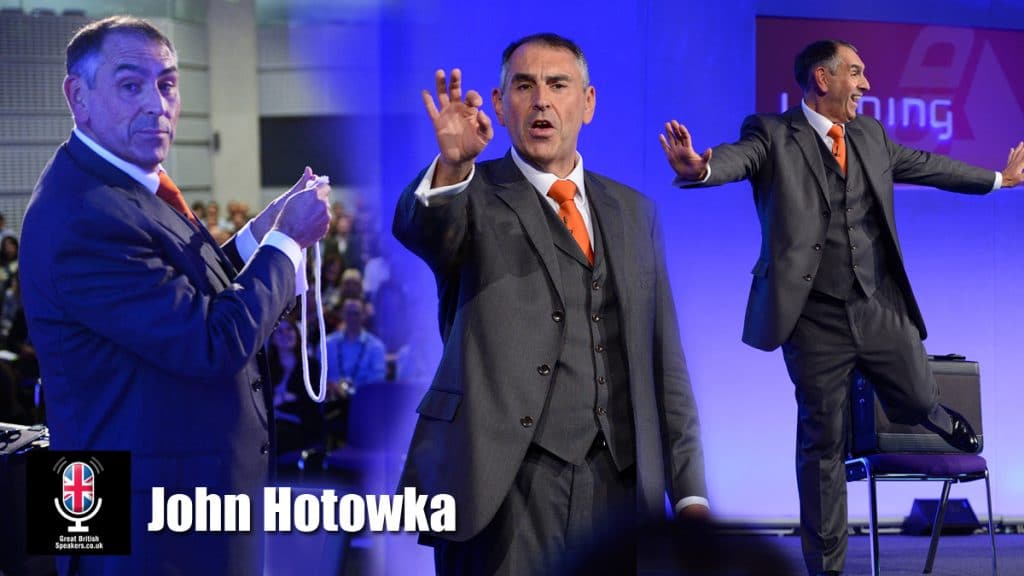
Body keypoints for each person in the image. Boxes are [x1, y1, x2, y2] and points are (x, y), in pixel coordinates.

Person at [660, 39, 1024, 576]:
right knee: (822, 443)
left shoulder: (870, 135)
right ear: (823, 78)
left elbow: (928, 165)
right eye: (856, 72)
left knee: (918, 395)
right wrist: (699, 169)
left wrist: (999, 180)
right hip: (812, 318)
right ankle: (826, 569)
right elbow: (736, 159)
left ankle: (936, 415)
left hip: (877, 304)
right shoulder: (772, 133)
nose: (866, 84)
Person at [19, 16, 330, 575]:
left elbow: (184, 294)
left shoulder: (122, 187)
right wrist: (287, 242)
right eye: (130, 85)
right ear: (78, 97)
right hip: (145, 528)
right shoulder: (84, 214)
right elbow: (210, 342)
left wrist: (259, 235)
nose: (157, 104)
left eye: (167, 84)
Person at [394, 33, 708, 575]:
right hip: (500, 491)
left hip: (620, 490)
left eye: (558, 85)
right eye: (524, 86)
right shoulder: (470, 193)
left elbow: (667, 364)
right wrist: (450, 168)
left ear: (587, 103)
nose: (541, 100)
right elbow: (424, 229)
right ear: (499, 105)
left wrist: (690, 494)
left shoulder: (635, 213)